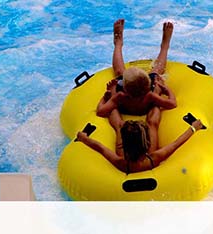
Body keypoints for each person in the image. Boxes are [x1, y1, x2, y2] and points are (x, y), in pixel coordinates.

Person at [76, 106, 204, 174]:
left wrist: (83, 138)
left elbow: (99, 147)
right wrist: (193, 128)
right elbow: (176, 143)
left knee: (120, 125)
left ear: (123, 145)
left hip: (127, 161)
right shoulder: (154, 157)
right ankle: (156, 101)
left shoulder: (119, 162)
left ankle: (112, 104)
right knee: (152, 123)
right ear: (147, 143)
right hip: (147, 160)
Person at [96, 19, 177, 117]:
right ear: (149, 85)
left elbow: (100, 112)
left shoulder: (119, 96)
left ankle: (118, 44)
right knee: (157, 71)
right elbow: (172, 104)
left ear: (123, 87)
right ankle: (165, 46)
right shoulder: (150, 95)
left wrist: (107, 95)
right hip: (146, 100)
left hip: (124, 100)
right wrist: (165, 88)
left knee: (119, 72)